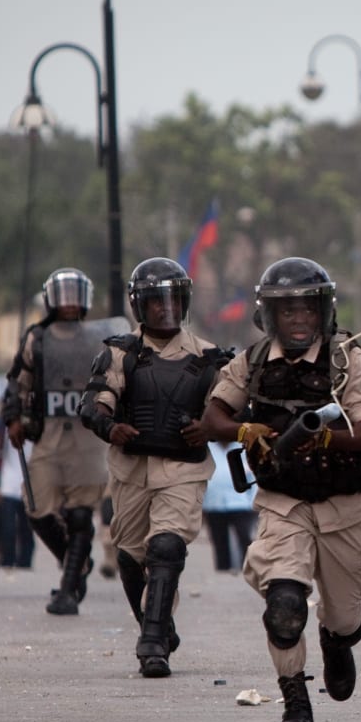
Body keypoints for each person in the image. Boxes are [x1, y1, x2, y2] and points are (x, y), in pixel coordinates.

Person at [201, 257, 361, 722]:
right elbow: (213, 417)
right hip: (283, 502)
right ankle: (296, 706)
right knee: (284, 606)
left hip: (345, 503)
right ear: (270, 316)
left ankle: (337, 640)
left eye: (307, 309)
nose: (299, 320)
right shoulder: (254, 361)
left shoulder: (349, 360)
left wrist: (327, 440)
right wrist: (245, 428)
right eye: (288, 312)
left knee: (346, 618)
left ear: (323, 311)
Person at [80, 257, 232, 678]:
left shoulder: (209, 358)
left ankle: (151, 646)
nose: (165, 309)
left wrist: (212, 427)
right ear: (138, 306)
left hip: (183, 470)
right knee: (131, 556)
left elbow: (232, 414)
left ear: (184, 303)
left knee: (166, 547)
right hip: (131, 470)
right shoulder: (120, 352)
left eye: (173, 301)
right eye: (155, 302)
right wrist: (111, 427)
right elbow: (94, 403)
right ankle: (161, 625)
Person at [3, 268, 121, 615]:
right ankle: (76, 560)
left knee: (82, 514)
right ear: (52, 299)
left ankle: (69, 589)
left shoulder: (100, 339)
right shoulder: (36, 338)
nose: (69, 303)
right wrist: (13, 418)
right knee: (37, 508)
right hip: (50, 435)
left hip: (89, 438)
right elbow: (17, 382)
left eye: (75, 295)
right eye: (63, 295)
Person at [203, 440, 258, 572]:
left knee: (244, 536)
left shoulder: (243, 448)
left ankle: (247, 568)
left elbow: (253, 475)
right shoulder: (207, 448)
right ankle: (223, 569)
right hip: (213, 503)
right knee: (218, 538)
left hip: (241, 503)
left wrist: (254, 501)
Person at [0, 431, 36, 568]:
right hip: (9, 484)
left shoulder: (33, 424)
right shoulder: (6, 425)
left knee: (27, 527)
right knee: (8, 527)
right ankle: (8, 560)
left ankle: (25, 561)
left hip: (29, 483)